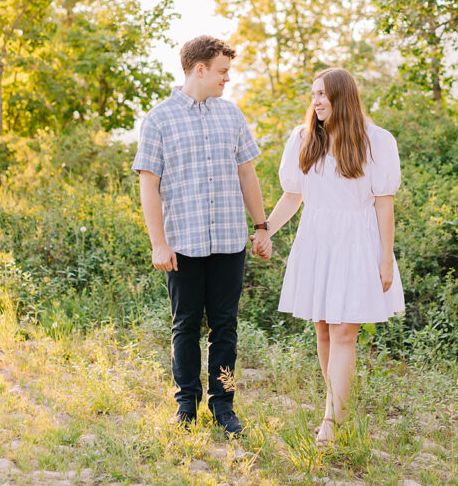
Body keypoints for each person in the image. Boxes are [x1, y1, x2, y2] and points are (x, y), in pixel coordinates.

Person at [132, 35, 270, 436]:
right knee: (186, 325)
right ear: (200, 69)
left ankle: (223, 406)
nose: (228, 79)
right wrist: (159, 242)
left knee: (225, 326)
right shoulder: (159, 119)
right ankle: (186, 406)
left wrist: (261, 227)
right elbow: (149, 185)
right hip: (183, 243)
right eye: (223, 71)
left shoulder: (232, 115)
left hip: (230, 241)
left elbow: (247, 173)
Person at [262, 68, 404, 446]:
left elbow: (384, 205)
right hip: (317, 240)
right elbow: (293, 196)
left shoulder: (376, 141)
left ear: (343, 96)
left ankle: (332, 422)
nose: (317, 102)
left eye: (323, 94)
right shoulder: (304, 139)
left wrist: (386, 259)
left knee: (345, 332)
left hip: (358, 242)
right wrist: (264, 230)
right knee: (323, 329)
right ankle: (336, 408)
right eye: (314, 95)